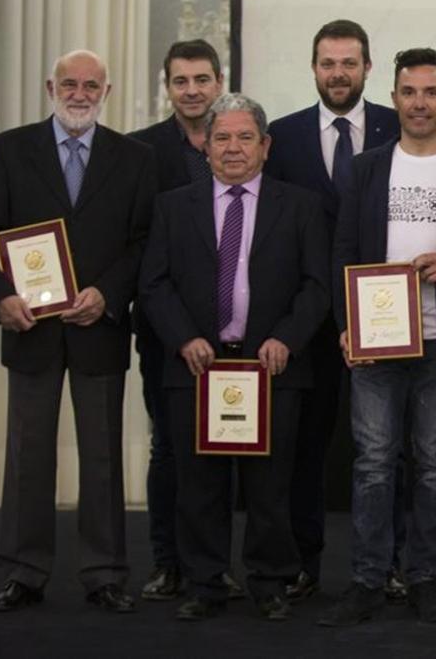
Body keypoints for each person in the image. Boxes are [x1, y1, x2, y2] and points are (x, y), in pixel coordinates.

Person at [0, 49, 157, 613]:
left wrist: (110, 294)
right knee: (28, 454)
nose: (79, 93)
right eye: (69, 83)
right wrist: (1, 296)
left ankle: (104, 573)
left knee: (102, 454)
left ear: (107, 91)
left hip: (99, 326)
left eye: (90, 85)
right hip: (31, 329)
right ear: (50, 87)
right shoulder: (9, 148)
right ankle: (24, 571)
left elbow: (143, 241)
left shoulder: (135, 158)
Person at [139, 93, 330, 622]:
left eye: (246, 137)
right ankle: (204, 584)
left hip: (272, 368)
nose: (233, 148)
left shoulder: (301, 206)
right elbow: (153, 285)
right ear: (205, 145)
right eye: (221, 137)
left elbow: (318, 286)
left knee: (271, 486)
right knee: (198, 485)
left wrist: (286, 340)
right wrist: (182, 338)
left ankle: (269, 582)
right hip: (197, 367)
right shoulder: (173, 206)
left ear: (265, 146)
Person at [317, 48, 436, 627]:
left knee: (435, 464)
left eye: (431, 93)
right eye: (409, 93)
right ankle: (367, 580)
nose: (420, 103)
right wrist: (345, 326)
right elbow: (343, 254)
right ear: (395, 99)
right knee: (374, 464)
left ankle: (424, 578)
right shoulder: (366, 167)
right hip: (376, 344)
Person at [264, 19, 404, 602]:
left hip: (388, 317)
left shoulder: (402, 126)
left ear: (368, 68)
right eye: (328, 63)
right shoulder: (281, 136)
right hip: (307, 321)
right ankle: (303, 562)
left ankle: (390, 563)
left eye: (349, 63)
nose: (338, 73)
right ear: (314, 68)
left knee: (390, 448)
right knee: (304, 446)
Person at [129, 38, 245, 602]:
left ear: (219, 81)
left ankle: (216, 564)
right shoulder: (139, 152)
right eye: (181, 80)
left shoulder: (242, 138)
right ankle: (168, 561)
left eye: (202, 79)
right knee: (170, 449)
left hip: (237, 331)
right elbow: (135, 244)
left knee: (227, 445)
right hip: (167, 332)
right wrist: (175, 329)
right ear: (167, 86)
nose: (193, 90)